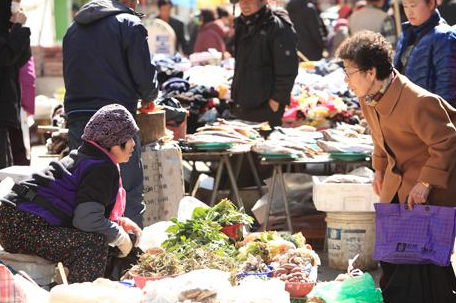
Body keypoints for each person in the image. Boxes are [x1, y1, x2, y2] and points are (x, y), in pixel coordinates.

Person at [337, 30, 456, 303]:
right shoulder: (369, 97)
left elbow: (447, 142)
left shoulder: (418, 101)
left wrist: (425, 183)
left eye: (349, 71)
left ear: (370, 72)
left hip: (429, 192)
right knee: (395, 262)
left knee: (423, 266)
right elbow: (378, 136)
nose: (346, 79)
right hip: (397, 188)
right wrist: (378, 168)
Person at [0, 104, 142, 284]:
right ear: (114, 141)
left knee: (98, 238)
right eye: (129, 137)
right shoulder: (101, 167)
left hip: (13, 219)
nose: (133, 144)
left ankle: (63, 288)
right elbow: (86, 220)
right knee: (92, 244)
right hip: (24, 225)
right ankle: (77, 296)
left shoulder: (89, 157)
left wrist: (120, 223)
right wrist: (119, 236)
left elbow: (80, 208)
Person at [63, 0, 158, 228]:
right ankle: (130, 259)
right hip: (115, 122)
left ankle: (89, 256)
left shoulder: (72, 29)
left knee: (84, 191)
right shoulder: (129, 23)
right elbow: (145, 79)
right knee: (126, 192)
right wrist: (149, 96)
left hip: (78, 118)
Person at [230, 0, 299, 127]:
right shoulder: (241, 24)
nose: (245, 4)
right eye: (241, 0)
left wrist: (277, 99)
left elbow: (288, 66)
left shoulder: (277, 26)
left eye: (249, 0)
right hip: (242, 104)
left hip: (266, 106)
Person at [393, 0, 456, 106]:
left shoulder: (445, 36)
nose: (409, 12)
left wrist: (436, 114)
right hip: (405, 111)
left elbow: (447, 88)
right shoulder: (405, 34)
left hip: (429, 113)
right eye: (405, 6)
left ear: (431, 3)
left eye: (413, 5)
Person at [0, 0, 31, 169]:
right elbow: (6, 56)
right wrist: (18, 27)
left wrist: (15, 29)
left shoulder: (7, 31)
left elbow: (20, 59)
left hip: (9, 112)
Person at [8, 56, 36, 166]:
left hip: (12, 106)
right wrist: (28, 107)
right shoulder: (20, 47)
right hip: (17, 108)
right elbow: (28, 78)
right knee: (20, 153)